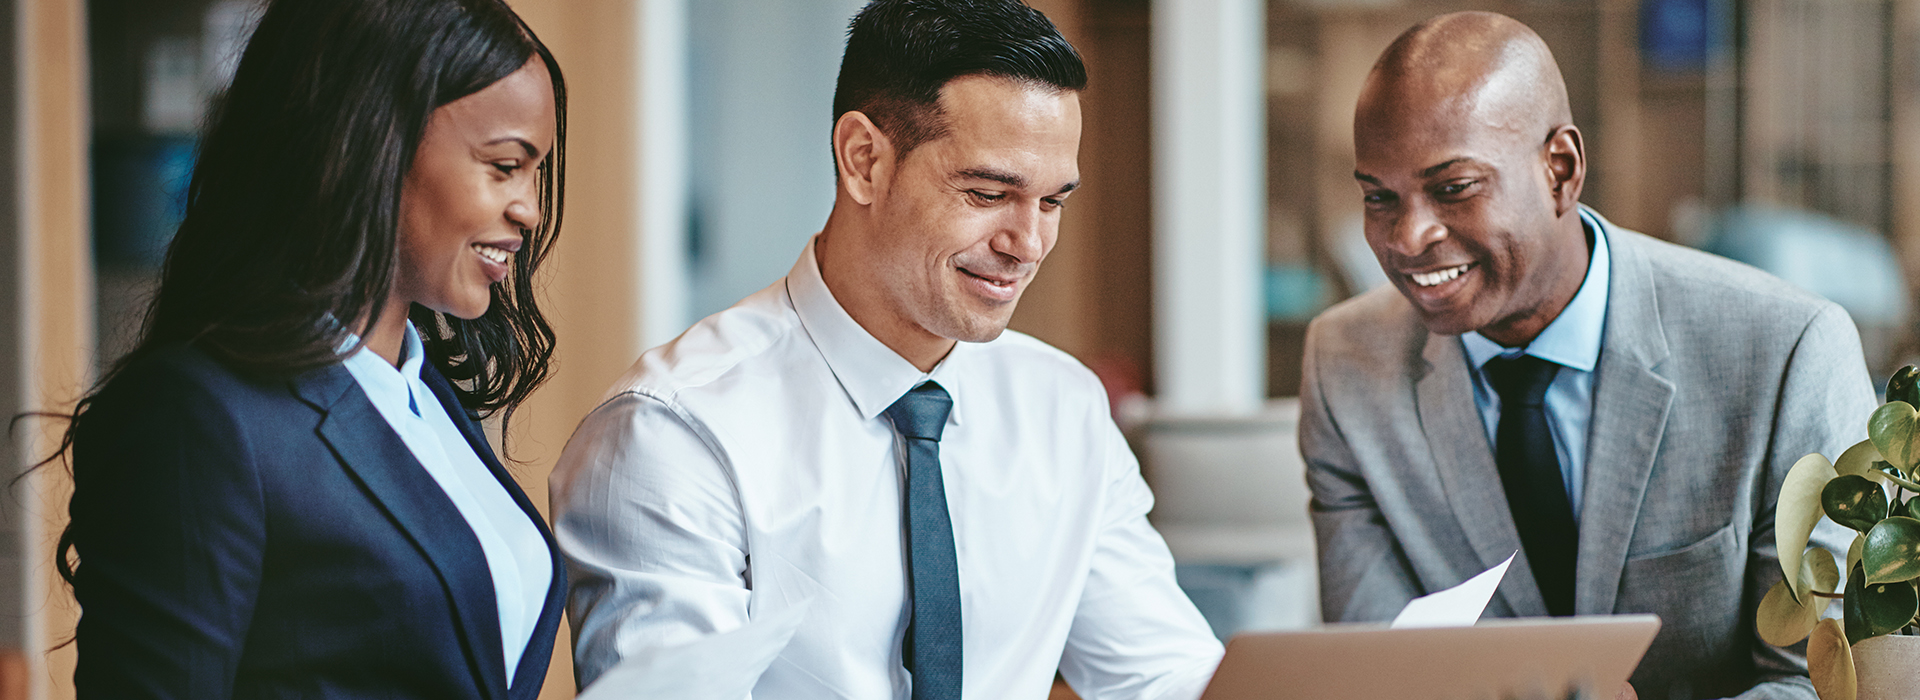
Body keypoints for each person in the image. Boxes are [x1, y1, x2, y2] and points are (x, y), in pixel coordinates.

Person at [548, 1, 1224, 698]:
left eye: (1052, 202)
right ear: (864, 159)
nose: (1028, 244)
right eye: (989, 192)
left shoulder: (1063, 408)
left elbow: (1165, 676)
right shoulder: (675, 432)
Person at [1301, 11, 1872, 699]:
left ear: (1560, 170)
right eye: (1378, 198)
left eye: (1453, 188)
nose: (1408, 235)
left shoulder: (1786, 352)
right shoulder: (1344, 366)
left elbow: (1826, 682)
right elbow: (1376, 673)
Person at [55, 0, 569, 697]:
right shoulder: (201, 417)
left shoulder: (423, 393)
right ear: (371, 142)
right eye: (505, 165)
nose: (530, 209)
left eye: (534, 172)